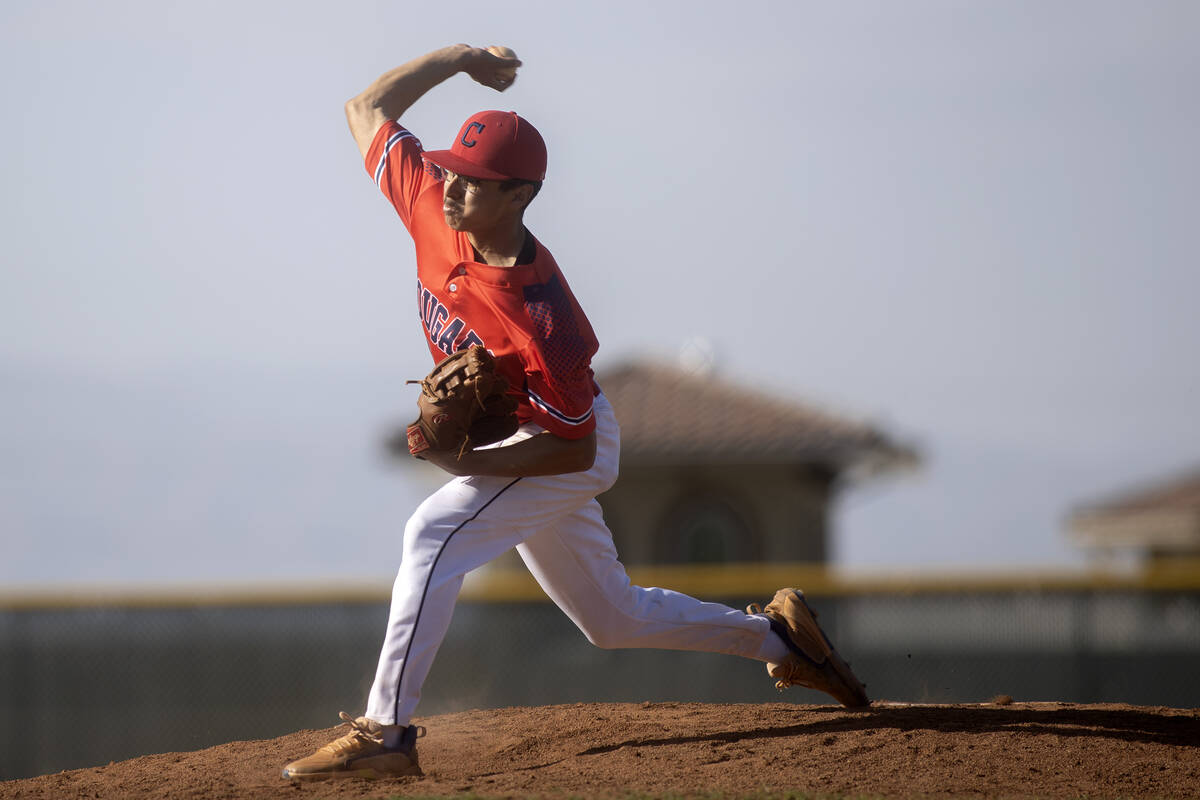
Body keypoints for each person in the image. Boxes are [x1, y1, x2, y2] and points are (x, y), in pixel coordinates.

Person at [282, 43, 868, 783]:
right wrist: (459, 59)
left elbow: (574, 452)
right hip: (542, 436)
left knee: (431, 532)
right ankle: (782, 642)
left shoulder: (546, 320)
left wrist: (466, 463)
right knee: (611, 618)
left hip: (565, 438)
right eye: (454, 172)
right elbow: (364, 109)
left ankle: (387, 733)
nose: (454, 187)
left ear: (520, 196)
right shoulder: (435, 205)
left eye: (476, 182)